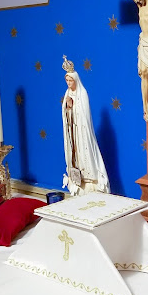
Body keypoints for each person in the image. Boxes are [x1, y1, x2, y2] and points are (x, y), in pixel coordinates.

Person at [61, 56, 110, 196]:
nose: (68, 83)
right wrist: (68, 108)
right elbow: (65, 112)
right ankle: (78, 181)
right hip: (73, 132)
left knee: (85, 154)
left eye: (70, 80)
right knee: (74, 155)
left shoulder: (82, 93)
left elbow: (84, 114)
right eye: (67, 80)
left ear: (76, 80)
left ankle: (91, 180)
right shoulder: (67, 93)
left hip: (82, 132)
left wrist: (73, 106)